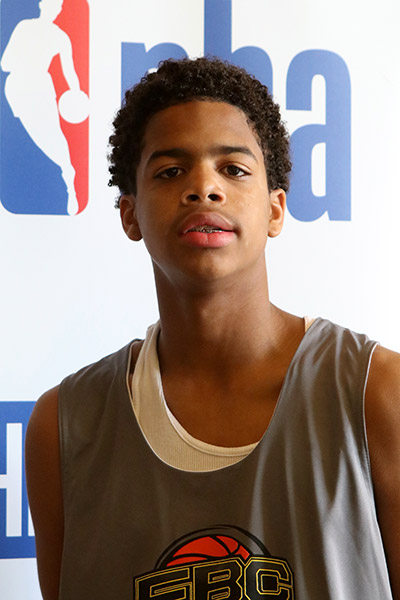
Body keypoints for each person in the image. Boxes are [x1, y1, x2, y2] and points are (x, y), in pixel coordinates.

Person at [25, 57, 400, 600]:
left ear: (275, 210)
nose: (204, 187)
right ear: (129, 214)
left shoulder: (378, 393)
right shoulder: (63, 426)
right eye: (170, 171)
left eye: (234, 169)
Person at [1, 0, 82, 215]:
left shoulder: (60, 37)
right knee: (30, 136)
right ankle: (64, 171)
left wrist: (76, 93)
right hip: (17, 88)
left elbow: (69, 71)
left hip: (40, 88)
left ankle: (68, 174)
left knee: (51, 134)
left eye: (58, 7)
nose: (55, 10)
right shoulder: (24, 27)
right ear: (42, 6)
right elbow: (5, 63)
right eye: (52, 5)